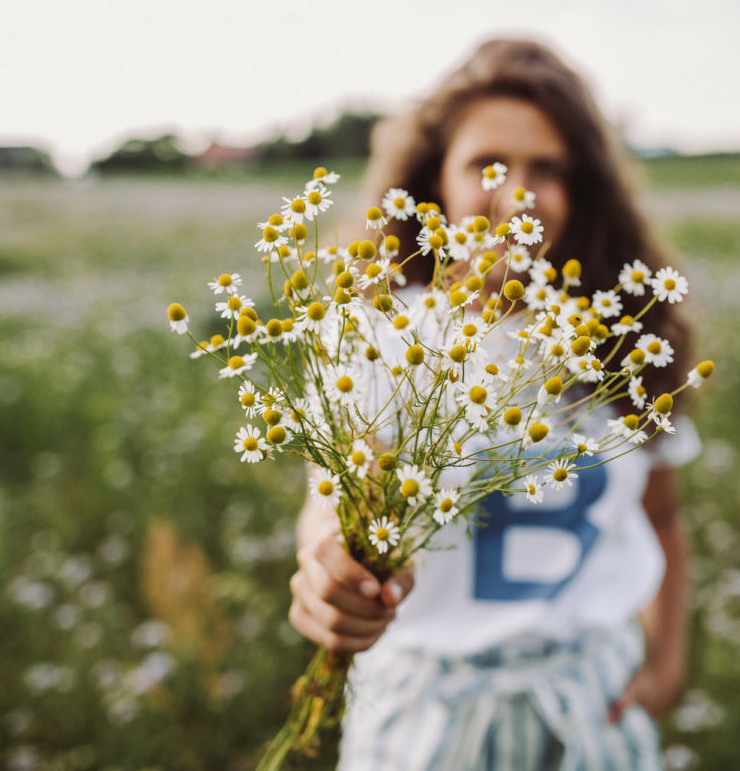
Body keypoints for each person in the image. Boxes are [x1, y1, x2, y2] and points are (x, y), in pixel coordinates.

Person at [288, 37, 700, 770]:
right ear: (435, 183)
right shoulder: (381, 333)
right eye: (488, 165)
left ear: (582, 190)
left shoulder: (623, 347)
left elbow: (662, 517)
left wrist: (666, 664)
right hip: (423, 718)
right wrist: (327, 572)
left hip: (588, 704)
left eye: (548, 169)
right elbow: (339, 498)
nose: (518, 195)